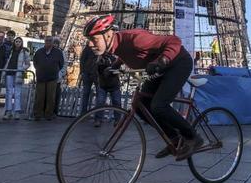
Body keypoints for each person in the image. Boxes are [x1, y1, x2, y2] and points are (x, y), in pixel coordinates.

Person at [83, 15, 204, 161]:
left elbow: (174, 41)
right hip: (158, 70)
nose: (90, 44)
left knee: (159, 105)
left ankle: (193, 137)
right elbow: (127, 54)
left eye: (94, 39)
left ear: (108, 35)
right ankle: (175, 139)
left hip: (177, 63)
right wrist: (114, 66)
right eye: (89, 40)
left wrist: (162, 60)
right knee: (141, 108)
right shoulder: (116, 45)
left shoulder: (135, 38)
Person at [32, 36, 65, 120]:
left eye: (50, 41)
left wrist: (54, 70)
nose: (48, 42)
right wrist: (39, 69)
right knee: (40, 97)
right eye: (47, 41)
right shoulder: (39, 52)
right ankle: (38, 114)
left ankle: (48, 114)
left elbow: (61, 64)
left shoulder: (58, 52)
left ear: (53, 42)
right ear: (44, 41)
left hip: (52, 78)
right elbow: (35, 62)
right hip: (41, 77)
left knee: (51, 97)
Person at [3, 36, 30, 120]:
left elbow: (28, 63)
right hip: (9, 72)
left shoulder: (25, 51)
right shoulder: (11, 50)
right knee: (9, 92)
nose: (17, 43)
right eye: (16, 41)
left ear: (21, 43)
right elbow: (7, 61)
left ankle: (17, 111)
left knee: (17, 93)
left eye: (19, 41)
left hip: (18, 73)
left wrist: (22, 69)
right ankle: (8, 111)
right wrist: (4, 71)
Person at [93, 52, 122, 127]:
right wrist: (99, 61)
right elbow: (97, 69)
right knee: (100, 102)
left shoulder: (114, 59)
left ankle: (117, 120)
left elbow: (117, 70)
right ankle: (98, 119)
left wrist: (115, 69)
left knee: (117, 102)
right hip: (103, 85)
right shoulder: (99, 60)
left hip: (114, 84)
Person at [79, 44, 98, 115]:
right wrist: (82, 72)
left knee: (99, 96)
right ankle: (83, 113)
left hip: (96, 74)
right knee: (85, 94)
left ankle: (97, 116)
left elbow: (82, 60)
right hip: (88, 73)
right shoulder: (87, 48)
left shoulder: (99, 47)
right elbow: (82, 60)